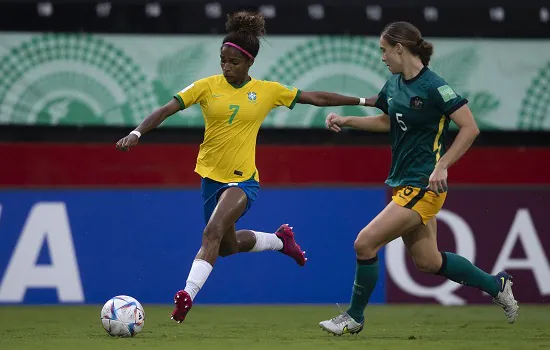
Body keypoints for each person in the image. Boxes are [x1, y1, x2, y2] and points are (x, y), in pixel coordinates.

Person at [116, 10, 376, 324]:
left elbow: (316, 97)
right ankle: (280, 241)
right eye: (222, 60)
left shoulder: (267, 91)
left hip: (243, 182)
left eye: (233, 62)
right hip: (210, 180)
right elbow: (166, 109)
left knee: (210, 233)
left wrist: (365, 101)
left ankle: (186, 296)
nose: (226, 67)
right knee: (225, 246)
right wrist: (136, 132)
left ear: (250, 62)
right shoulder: (206, 86)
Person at [319, 21, 519, 336]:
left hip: (424, 185)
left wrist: (443, 166)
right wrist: (347, 121)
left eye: (384, 50)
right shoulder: (394, 84)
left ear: (401, 48)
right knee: (428, 262)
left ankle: (354, 316)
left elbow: (470, 127)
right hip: (403, 183)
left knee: (364, 242)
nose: (382, 57)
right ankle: (497, 284)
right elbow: (388, 121)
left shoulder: (435, 87)